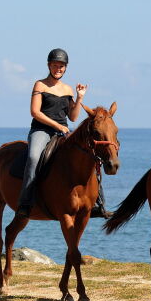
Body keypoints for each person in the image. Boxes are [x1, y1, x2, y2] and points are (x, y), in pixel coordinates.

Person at [15, 48, 110, 219]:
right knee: (33, 157)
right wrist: (56, 126)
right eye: (55, 65)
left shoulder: (67, 89)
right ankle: (25, 203)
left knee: (90, 155)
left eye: (61, 66)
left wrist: (80, 97)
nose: (58, 69)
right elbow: (35, 112)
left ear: (65, 68)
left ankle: (98, 203)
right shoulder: (40, 84)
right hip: (42, 130)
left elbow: (73, 117)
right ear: (48, 65)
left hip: (64, 131)